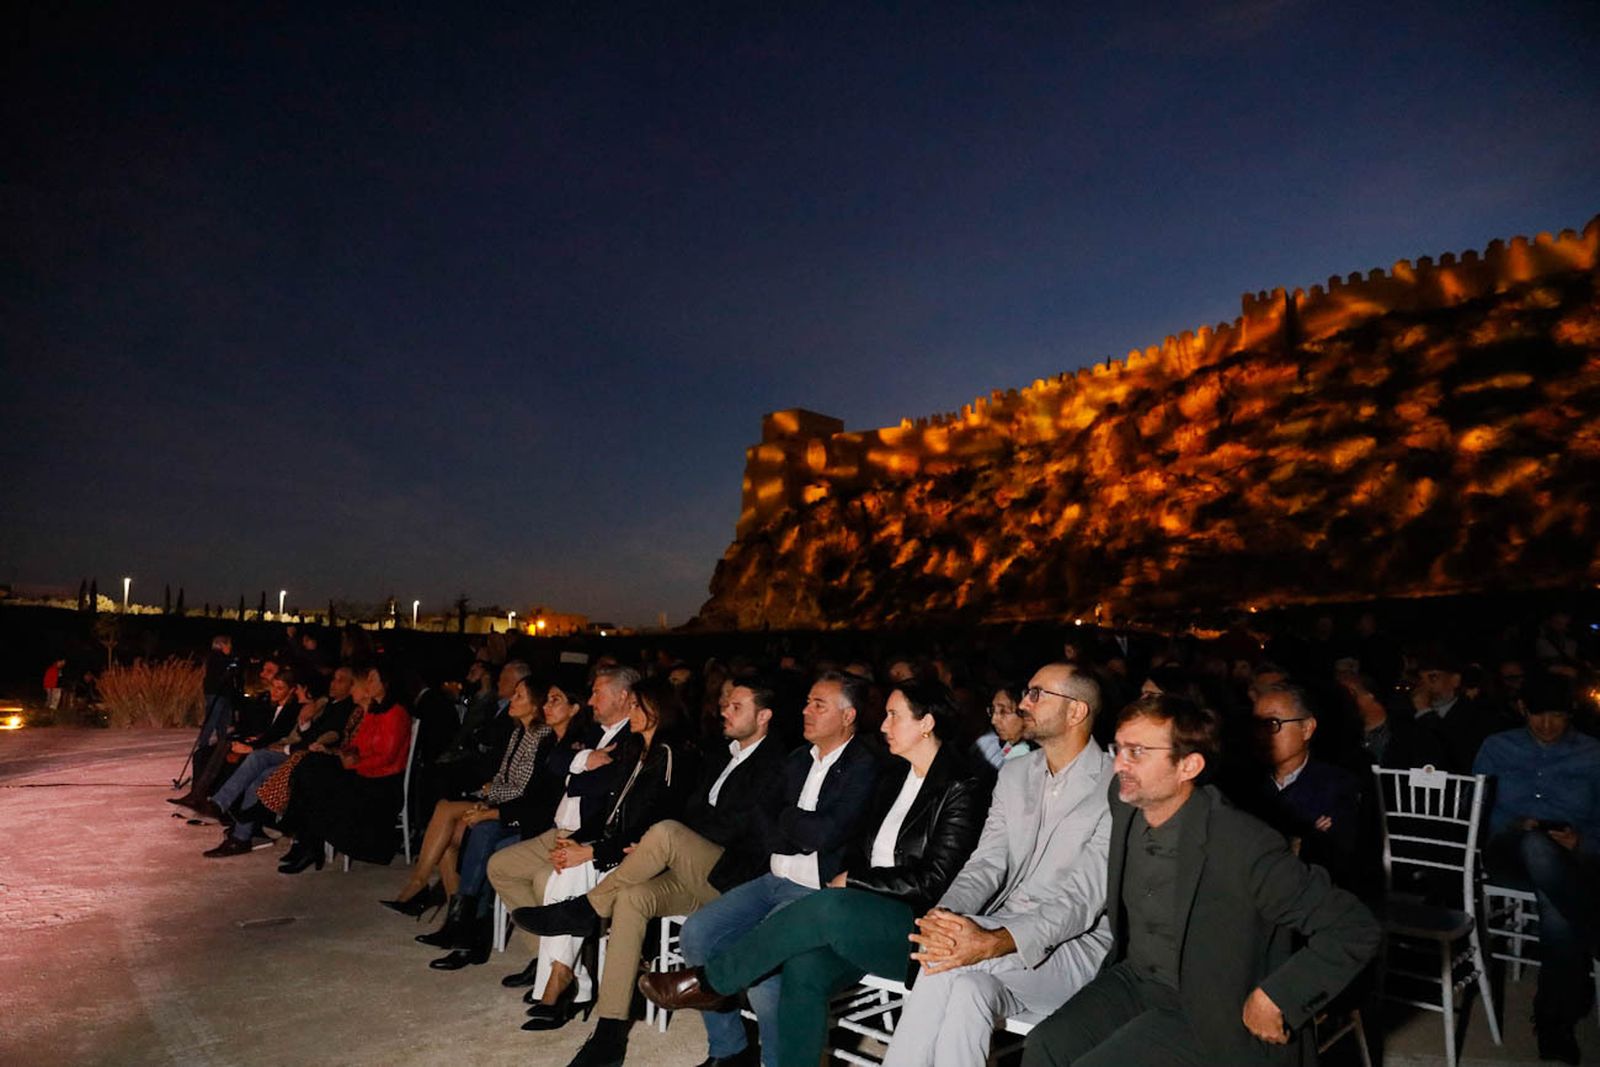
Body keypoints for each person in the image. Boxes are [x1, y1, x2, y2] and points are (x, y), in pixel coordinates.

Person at [1020, 694, 1381, 1067]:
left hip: (1211, 1006)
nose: (1120, 765)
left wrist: (1276, 997)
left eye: (1138, 752)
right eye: (1119, 748)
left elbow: (1353, 927)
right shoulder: (1126, 801)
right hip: (1137, 979)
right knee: (1044, 1046)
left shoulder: (1241, 843)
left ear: (1188, 766)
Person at [638, 681, 988, 1067]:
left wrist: (853, 879)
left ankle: (712, 982)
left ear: (926, 724)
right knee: (802, 972)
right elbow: (842, 839)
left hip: (916, 929)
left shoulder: (960, 786)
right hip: (859, 914)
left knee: (827, 905)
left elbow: (934, 880)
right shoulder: (893, 777)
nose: (884, 725)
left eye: (894, 716)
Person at [511, 673, 789, 1067]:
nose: (724, 710)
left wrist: (673, 839)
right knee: (632, 897)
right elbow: (691, 810)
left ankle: (586, 908)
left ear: (764, 717)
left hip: (738, 880)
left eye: (736, 706)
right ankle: (609, 1032)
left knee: (667, 832)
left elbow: (740, 829)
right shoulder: (722, 753)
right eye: (725, 704)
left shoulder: (776, 763)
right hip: (699, 873)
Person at [879, 664, 1116, 1067]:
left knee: (944, 959)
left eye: (1037, 694)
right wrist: (945, 914)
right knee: (968, 990)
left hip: (1074, 951)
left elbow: (1081, 901)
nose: (1024, 702)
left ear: (1076, 711)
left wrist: (994, 939)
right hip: (999, 935)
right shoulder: (1016, 773)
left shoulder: (1115, 786)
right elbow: (987, 862)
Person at [665, 670, 881, 1067]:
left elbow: (828, 833)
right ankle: (730, 1049)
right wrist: (795, 831)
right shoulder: (797, 759)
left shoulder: (865, 765)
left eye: (820, 704)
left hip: (817, 892)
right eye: (807, 702)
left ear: (848, 716)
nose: (807, 710)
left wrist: (791, 826)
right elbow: (761, 818)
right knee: (697, 934)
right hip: (772, 878)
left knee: (766, 979)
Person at [516, 675, 696, 1031]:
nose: (630, 710)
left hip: (647, 856)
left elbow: (655, 823)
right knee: (567, 867)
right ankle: (562, 977)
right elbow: (605, 811)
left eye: (637, 705)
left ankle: (559, 985)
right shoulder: (633, 750)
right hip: (615, 847)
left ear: (657, 710)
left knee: (573, 869)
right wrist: (579, 841)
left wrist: (593, 851)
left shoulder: (673, 755)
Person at [486, 667, 639, 996]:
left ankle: (559, 975)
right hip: (556, 830)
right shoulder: (592, 729)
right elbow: (554, 761)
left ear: (623, 697)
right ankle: (558, 963)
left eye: (598, 692)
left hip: (586, 835)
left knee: (545, 882)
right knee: (500, 867)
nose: (592, 700)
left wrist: (575, 771)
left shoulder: (633, 737)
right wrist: (584, 759)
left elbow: (607, 784)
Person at [1473, 673, 1600, 1063]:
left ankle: (1552, 1021)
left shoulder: (1593, 753)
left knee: (1555, 908)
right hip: (1507, 850)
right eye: (1538, 715)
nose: (1547, 726)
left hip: (1570, 860)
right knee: (1533, 843)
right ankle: (1595, 928)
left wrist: (1581, 842)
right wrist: (1513, 826)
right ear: (1523, 710)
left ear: (1571, 713)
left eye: (1557, 716)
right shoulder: (1498, 747)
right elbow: (1474, 810)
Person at [422, 675, 588, 969]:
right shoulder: (541, 739)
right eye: (547, 700)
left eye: (554, 701)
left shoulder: (560, 744)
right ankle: (466, 928)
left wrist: (491, 809)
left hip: (544, 828)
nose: (547, 707)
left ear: (575, 708)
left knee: (482, 834)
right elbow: (518, 789)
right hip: (525, 818)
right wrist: (488, 805)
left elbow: (537, 801)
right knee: (473, 829)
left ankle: (465, 930)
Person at [380, 673, 553, 919]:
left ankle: (420, 886)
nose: (512, 700)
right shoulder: (518, 733)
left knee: (445, 809)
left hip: (514, 810)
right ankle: (454, 911)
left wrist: (487, 792)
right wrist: (488, 793)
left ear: (535, 705)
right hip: (499, 799)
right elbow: (504, 777)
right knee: (449, 833)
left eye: (519, 696)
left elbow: (520, 789)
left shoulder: (540, 735)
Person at [277, 661, 413, 873]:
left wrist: (347, 762)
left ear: (387, 683)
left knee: (315, 778)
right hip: (362, 772)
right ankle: (306, 841)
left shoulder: (397, 713)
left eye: (373, 679)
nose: (368, 683)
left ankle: (303, 839)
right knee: (309, 762)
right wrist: (335, 752)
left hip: (381, 783)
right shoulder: (373, 711)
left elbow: (386, 758)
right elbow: (356, 746)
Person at [203, 668, 353, 857]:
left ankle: (223, 810)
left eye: (340, 680)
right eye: (334, 679)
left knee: (258, 759)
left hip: (309, 757)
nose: (334, 683)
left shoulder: (341, 707)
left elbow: (322, 738)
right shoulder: (327, 704)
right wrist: (305, 723)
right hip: (297, 752)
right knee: (257, 772)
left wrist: (285, 745)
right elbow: (306, 734)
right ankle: (239, 833)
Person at [1244, 683, 1367, 895]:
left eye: (1273, 723)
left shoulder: (1337, 785)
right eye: (1256, 725)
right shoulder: (1244, 785)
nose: (1262, 735)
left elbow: (1337, 858)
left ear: (1307, 728)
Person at [972, 681, 1032, 770]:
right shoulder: (1011, 743)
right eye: (992, 711)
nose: (993, 721)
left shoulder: (1024, 757)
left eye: (1003, 711)